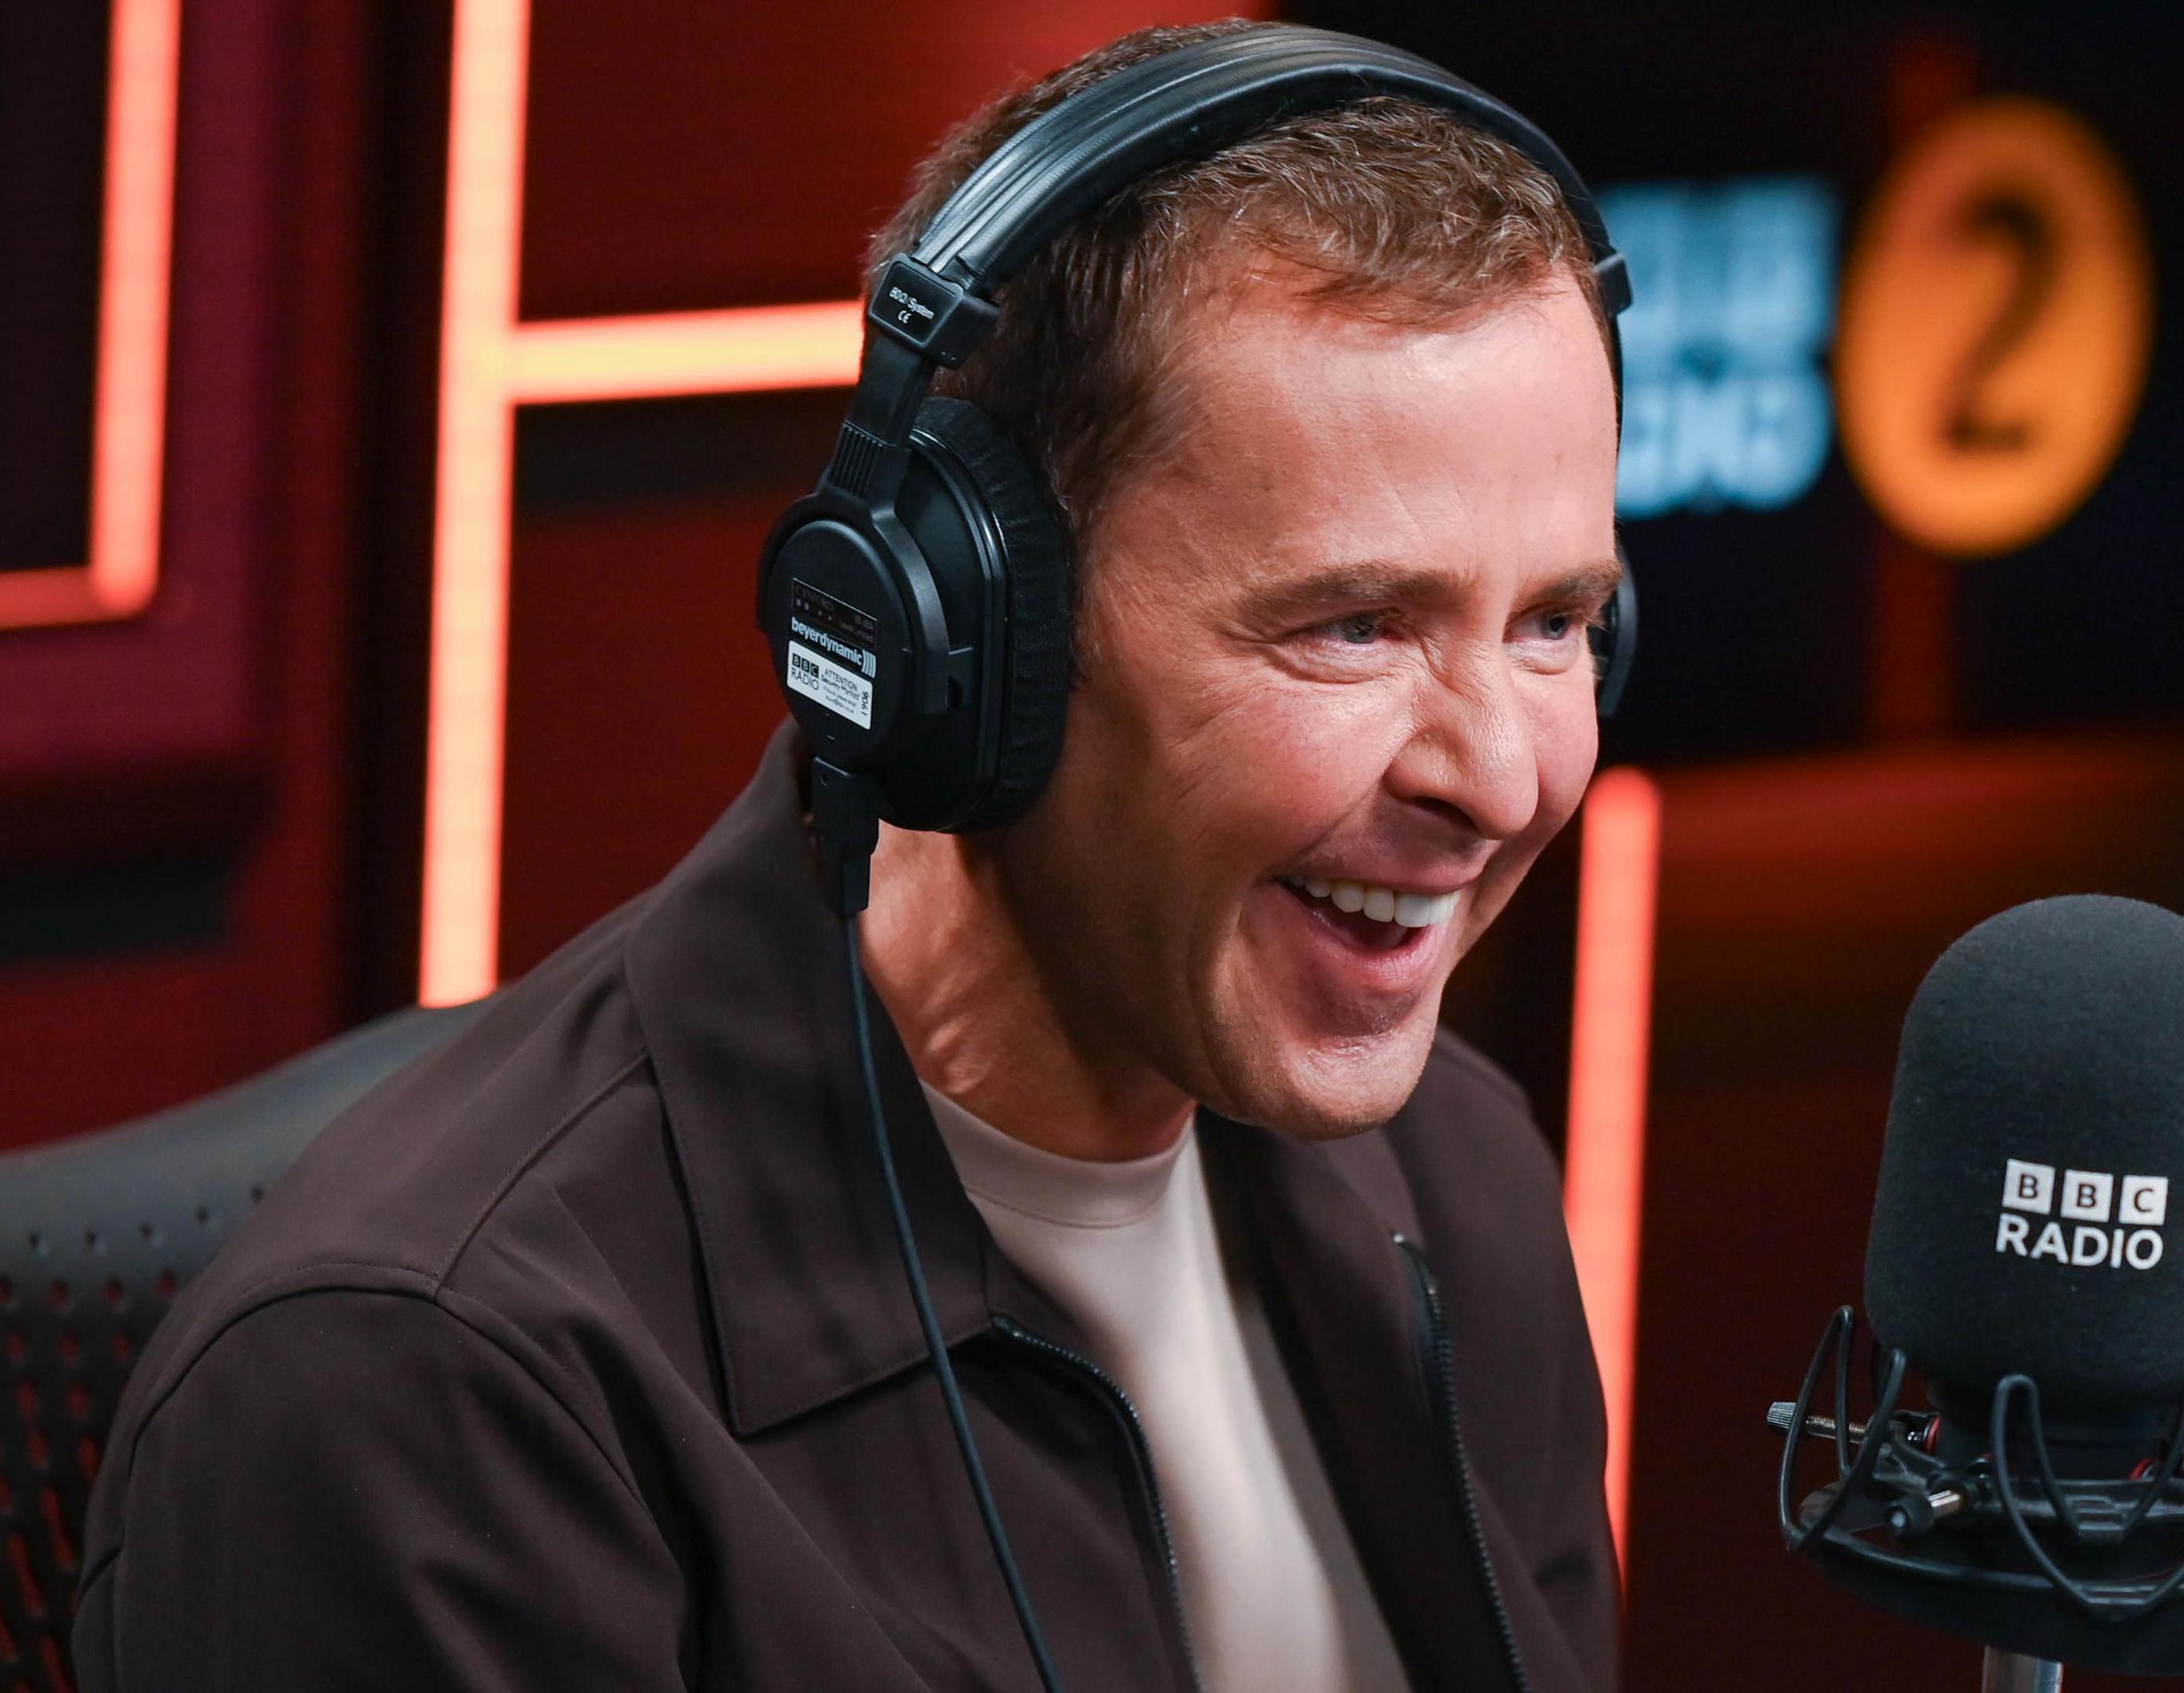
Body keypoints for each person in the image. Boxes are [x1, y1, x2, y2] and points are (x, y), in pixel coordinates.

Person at [78, 22, 1622, 1691]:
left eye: (1556, 622)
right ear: (958, 636)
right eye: (1352, 626)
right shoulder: (429, 1402)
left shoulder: (1453, 1178)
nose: (1501, 774)